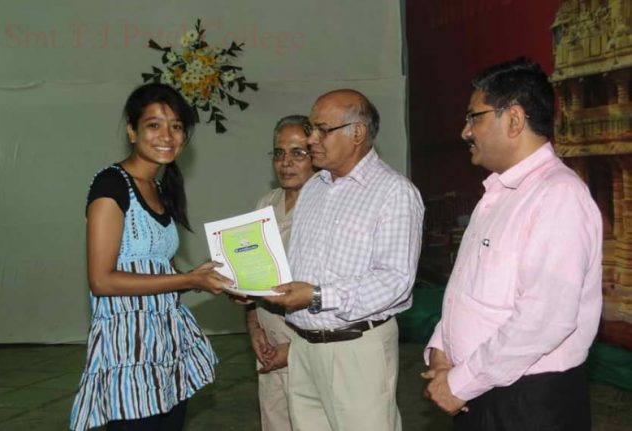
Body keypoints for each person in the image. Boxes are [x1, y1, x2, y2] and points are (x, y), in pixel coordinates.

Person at [422, 58, 603, 431]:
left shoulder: (558, 196)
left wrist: (461, 382)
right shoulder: (498, 192)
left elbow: (545, 318)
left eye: (474, 117)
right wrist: (442, 349)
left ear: (515, 119)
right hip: (478, 388)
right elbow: (467, 290)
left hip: (527, 402)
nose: (465, 132)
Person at [69, 83, 233, 431]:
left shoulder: (160, 188)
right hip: (129, 349)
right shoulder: (111, 185)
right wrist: (189, 279)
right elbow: (102, 280)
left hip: (166, 343)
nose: (167, 136)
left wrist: (198, 276)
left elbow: (155, 272)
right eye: (154, 125)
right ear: (132, 131)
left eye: (176, 126)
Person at [265, 89, 424, 431]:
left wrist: (317, 296)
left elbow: (395, 280)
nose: (311, 139)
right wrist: (254, 286)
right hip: (303, 347)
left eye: (322, 130)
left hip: (356, 348)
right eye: (311, 129)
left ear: (357, 133)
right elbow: (300, 265)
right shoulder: (314, 188)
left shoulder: (393, 192)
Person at [246, 114, 315, 431]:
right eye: (279, 153)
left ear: (316, 154)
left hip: (310, 348)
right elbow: (251, 275)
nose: (286, 162)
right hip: (269, 345)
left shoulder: (327, 205)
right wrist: (254, 327)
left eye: (298, 153)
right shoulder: (266, 204)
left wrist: (295, 350)